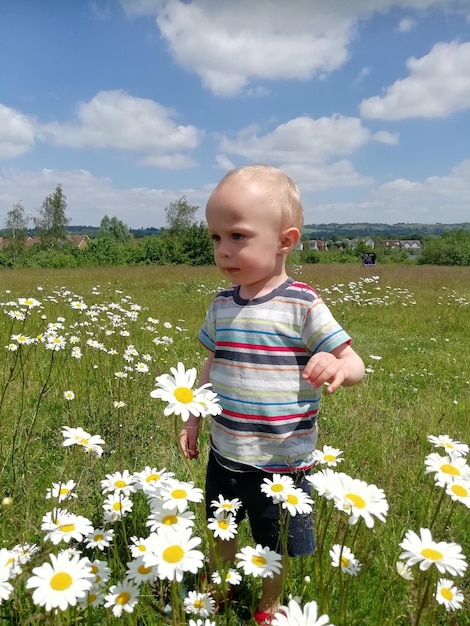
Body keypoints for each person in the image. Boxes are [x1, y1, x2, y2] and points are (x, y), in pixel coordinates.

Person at [180, 164, 365, 625]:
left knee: (272, 541)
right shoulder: (222, 305)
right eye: (216, 238)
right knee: (221, 527)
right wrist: (192, 415)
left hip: (282, 462)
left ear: (286, 240)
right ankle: (219, 588)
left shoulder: (302, 303)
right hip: (226, 450)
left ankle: (268, 606)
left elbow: (356, 362)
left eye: (237, 236)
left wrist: (338, 366)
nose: (223, 250)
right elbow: (211, 364)